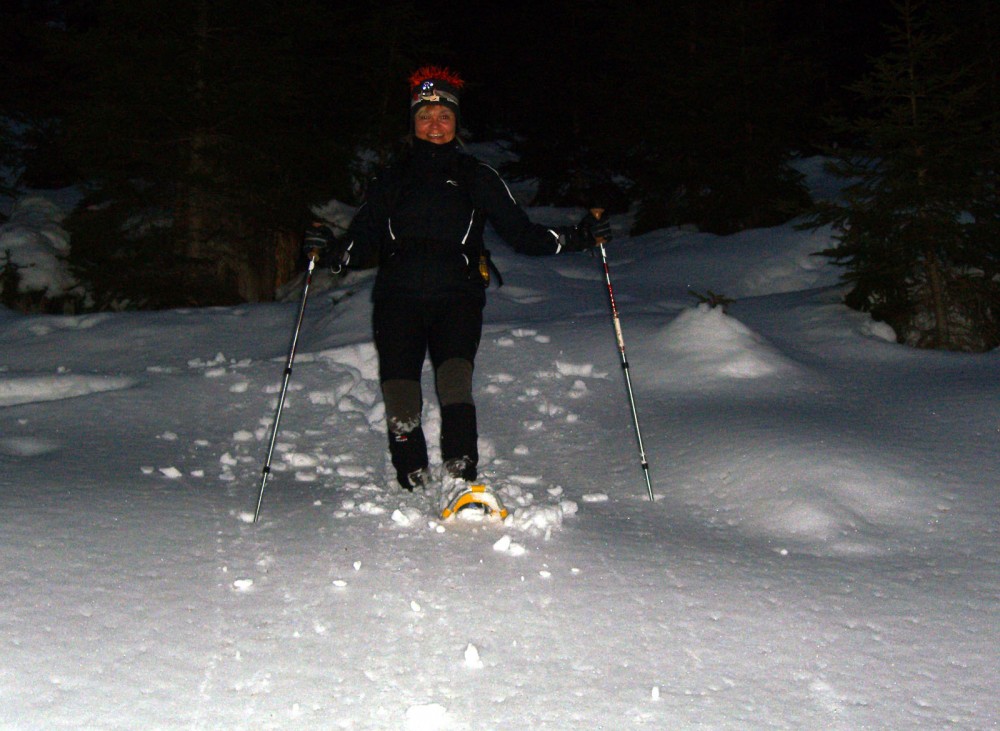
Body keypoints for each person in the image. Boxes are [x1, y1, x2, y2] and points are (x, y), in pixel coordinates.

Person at [304, 66, 612, 491]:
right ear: (413, 123)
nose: (435, 125)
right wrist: (330, 252)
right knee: (399, 389)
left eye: (444, 116)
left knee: (454, 382)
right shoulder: (391, 178)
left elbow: (523, 234)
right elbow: (362, 240)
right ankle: (411, 473)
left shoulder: (476, 176)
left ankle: (461, 470)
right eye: (425, 116)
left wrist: (579, 237)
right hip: (398, 297)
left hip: (457, 295)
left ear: (455, 122)